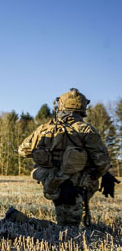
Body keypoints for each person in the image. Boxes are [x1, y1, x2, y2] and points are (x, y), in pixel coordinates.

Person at [18, 88, 112, 227]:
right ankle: (20, 221)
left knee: (64, 225)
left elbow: (23, 150)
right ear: (82, 107)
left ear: (61, 106)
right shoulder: (86, 130)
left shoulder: (44, 129)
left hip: (51, 181)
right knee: (69, 230)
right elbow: (102, 162)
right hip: (77, 185)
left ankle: (25, 223)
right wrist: (94, 175)